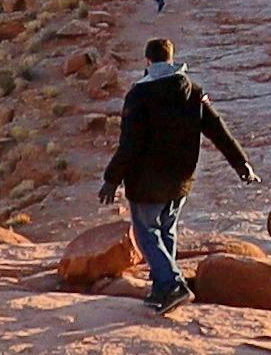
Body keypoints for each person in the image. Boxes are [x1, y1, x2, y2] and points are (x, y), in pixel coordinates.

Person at [100, 36, 254, 313]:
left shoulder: (139, 94)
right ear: (172, 59)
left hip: (147, 182)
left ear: (147, 61)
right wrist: (242, 164)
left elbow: (130, 144)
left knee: (146, 232)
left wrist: (112, 178)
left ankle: (172, 284)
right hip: (181, 180)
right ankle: (161, 288)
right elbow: (217, 130)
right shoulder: (193, 91)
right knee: (166, 230)